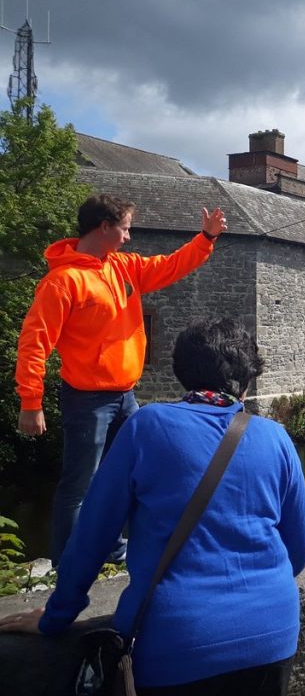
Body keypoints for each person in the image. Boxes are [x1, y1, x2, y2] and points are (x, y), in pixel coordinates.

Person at [0, 318, 305, 696]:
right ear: (248, 382)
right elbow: (300, 547)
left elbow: (92, 538)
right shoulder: (275, 437)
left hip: (176, 642)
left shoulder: (147, 426)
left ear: (181, 372)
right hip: (272, 634)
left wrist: (55, 618)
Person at [15, 193, 227, 566]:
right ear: (105, 227)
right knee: (78, 486)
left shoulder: (123, 268)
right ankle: (66, 563)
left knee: (127, 477)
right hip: (86, 399)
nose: (129, 237)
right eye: (125, 228)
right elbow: (34, 344)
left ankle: (112, 549)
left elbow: (169, 266)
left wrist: (205, 239)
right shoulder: (63, 282)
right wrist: (31, 403)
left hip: (126, 395)